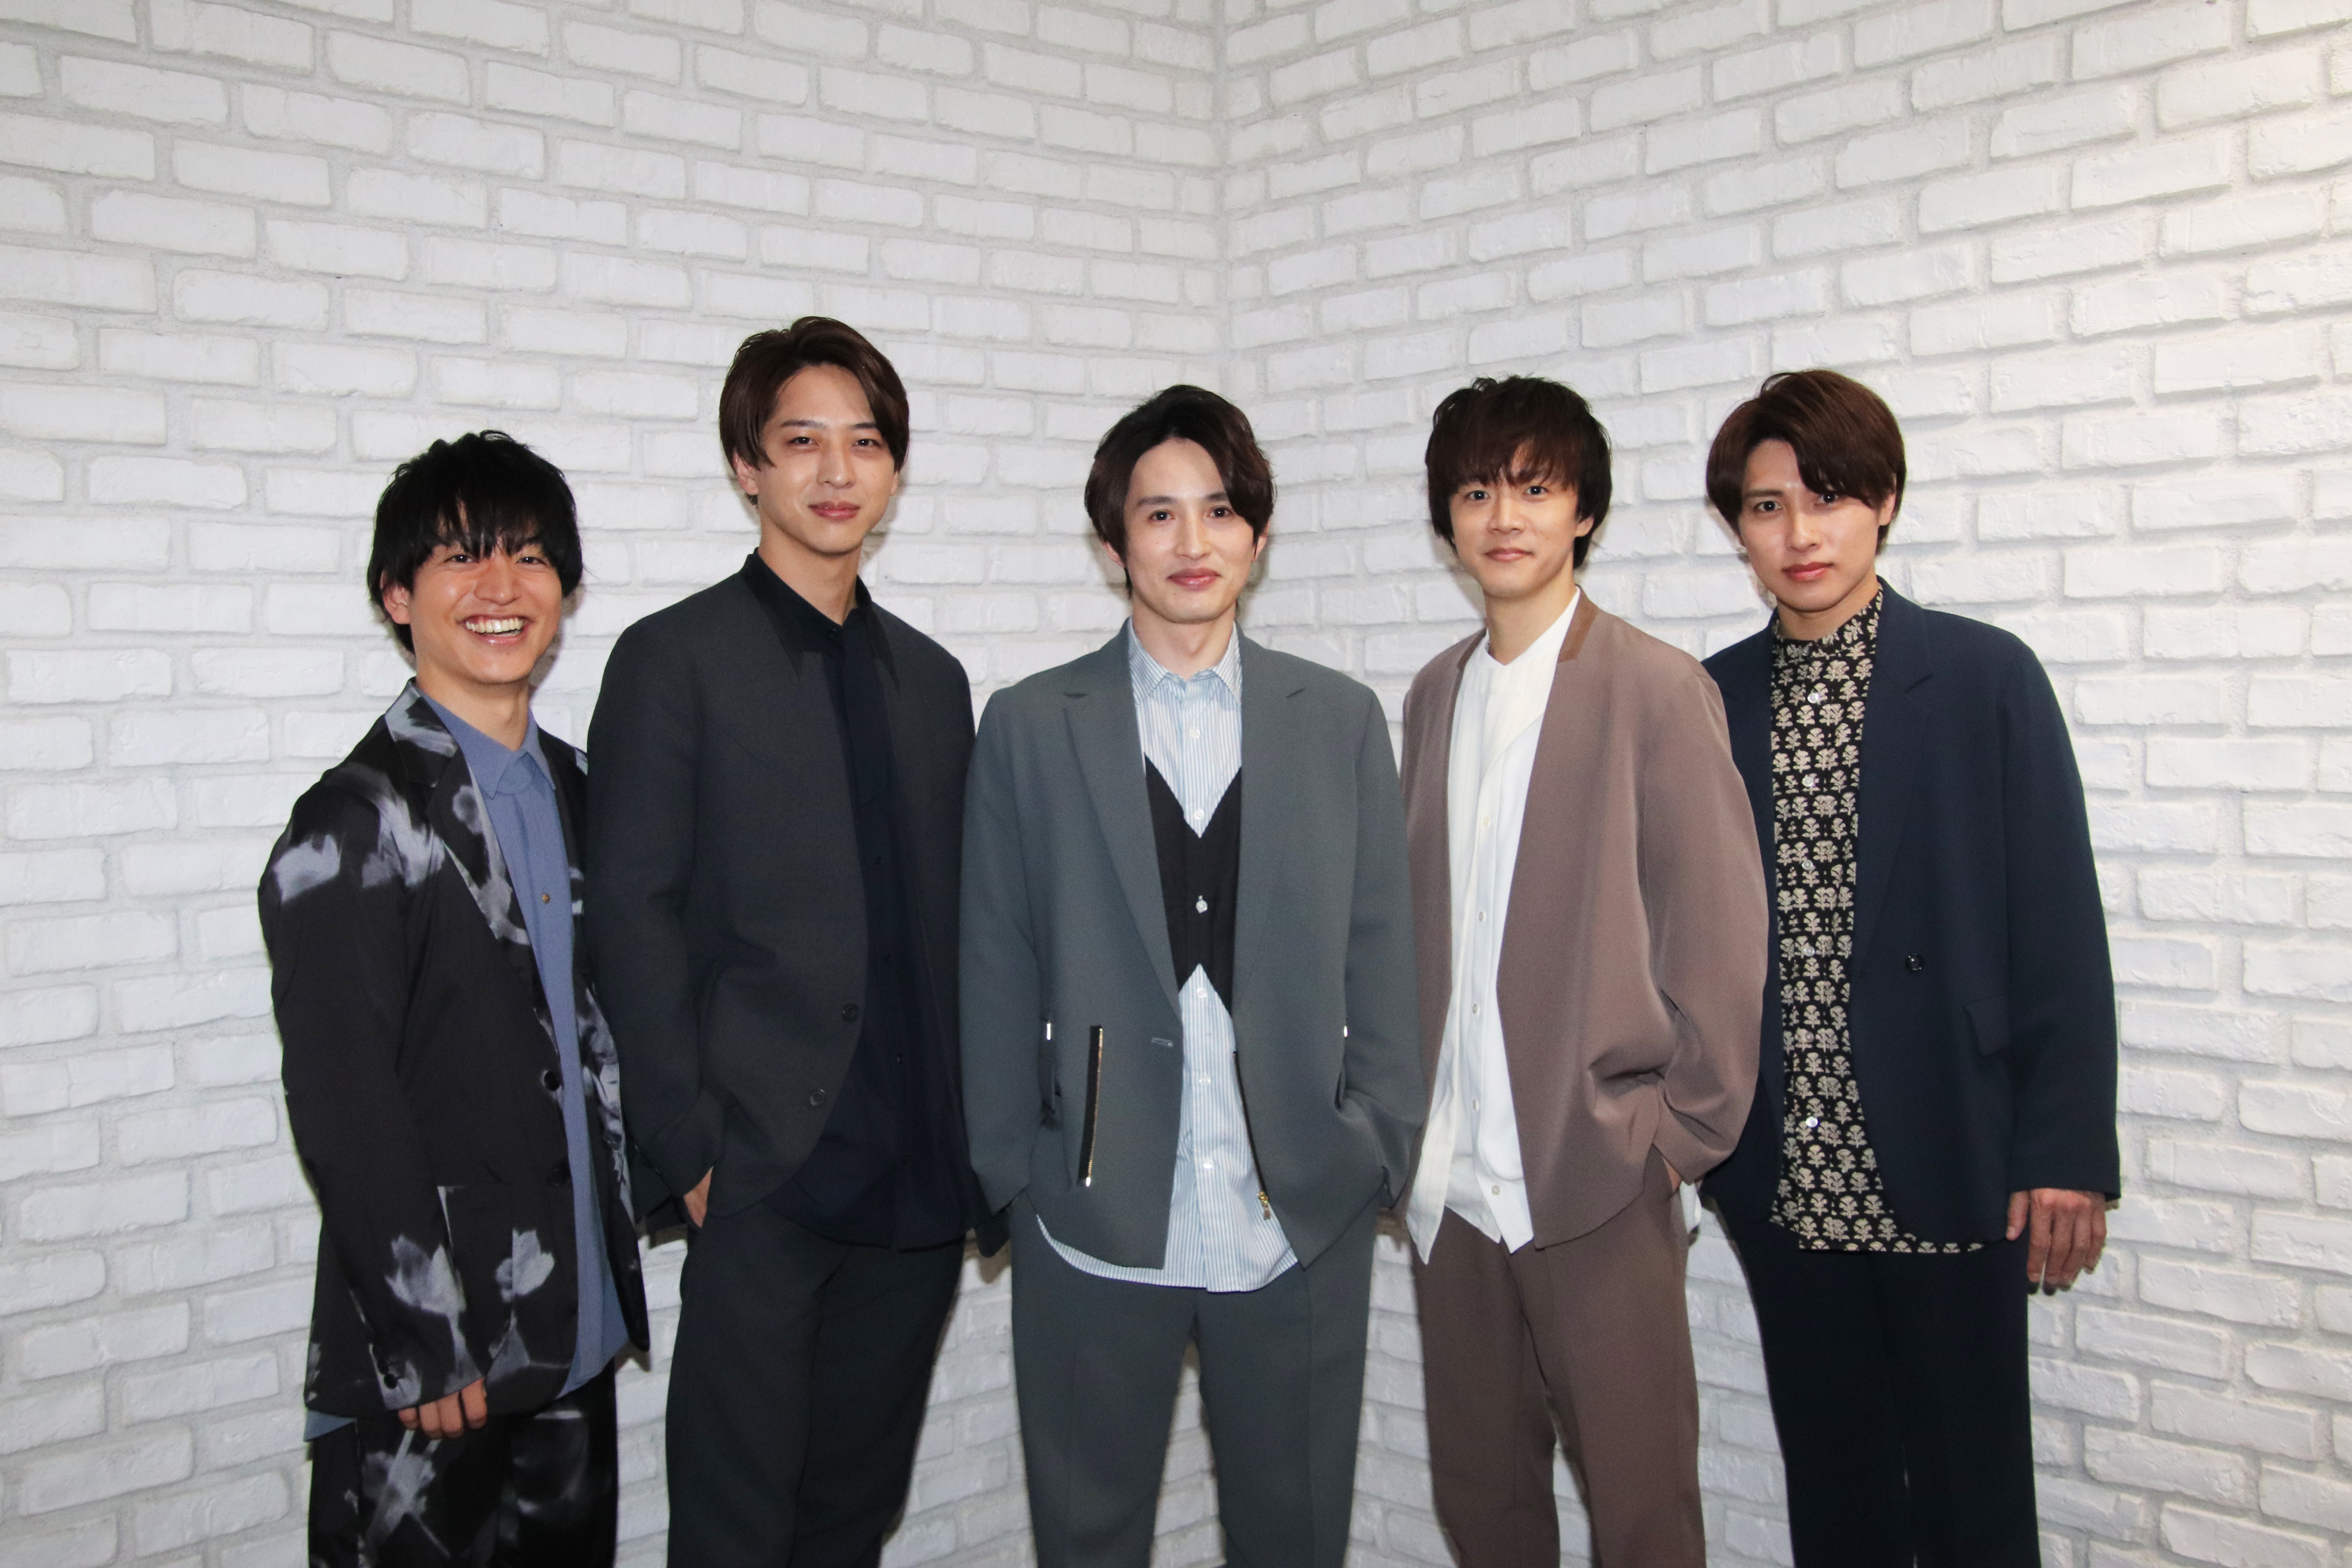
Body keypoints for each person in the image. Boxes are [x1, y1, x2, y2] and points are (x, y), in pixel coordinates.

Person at [960, 384, 1423, 1568]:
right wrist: (1016, 1174)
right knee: (1088, 1542)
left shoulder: (1338, 719)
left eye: (1218, 510)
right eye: (1157, 513)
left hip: (1295, 1221)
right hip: (1089, 1220)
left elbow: (1382, 949)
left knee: (1294, 1542)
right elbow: (995, 960)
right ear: (1113, 540)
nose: (1191, 541)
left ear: (1256, 535)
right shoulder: (1031, 725)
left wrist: (1372, 1145)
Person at [585, 317, 996, 1566]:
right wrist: (691, 1146)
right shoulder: (672, 660)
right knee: (735, 1527)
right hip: (764, 1170)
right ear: (746, 465)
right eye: (801, 441)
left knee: (849, 1523)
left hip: (915, 1176)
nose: (835, 471)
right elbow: (630, 913)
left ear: (894, 471)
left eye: (864, 443)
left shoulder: (934, 680)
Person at [1700, 369, 2118, 1566]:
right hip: (1788, 1170)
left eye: (1829, 496)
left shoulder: (1983, 676)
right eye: (1769, 507)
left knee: (1973, 1507)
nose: (1801, 532)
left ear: (1883, 501)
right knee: (1838, 1504)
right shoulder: (1710, 698)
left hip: (1951, 1146)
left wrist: (2065, 1150)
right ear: (1738, 529)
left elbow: (2057, 923)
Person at [1397, 375, 1767, 1566]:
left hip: (1597, 1179)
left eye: (1535, 488)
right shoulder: (1434, 694)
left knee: (1642, 1514)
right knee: (1485, 1509)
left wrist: (1670, 1142)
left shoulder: (1656, 688)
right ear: (1448, 520)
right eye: (1475, 492)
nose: (1503, 516)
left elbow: (1719, 940)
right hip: (1454, 1188)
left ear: (1585, 512)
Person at [259, 431, 647, 1565]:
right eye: (462, 557)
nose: (500, 587)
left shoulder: (585, 789)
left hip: (571, 1329)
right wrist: (422, 1339)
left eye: (529, 556)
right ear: (397, 594)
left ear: (564, 589)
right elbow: (341, 1097)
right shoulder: (353, 819)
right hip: (433, 1366)